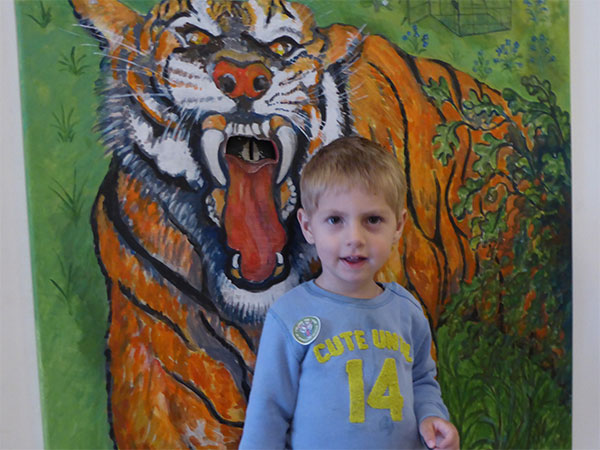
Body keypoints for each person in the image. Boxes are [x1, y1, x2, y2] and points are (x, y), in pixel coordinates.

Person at [240, 136, 459, 450]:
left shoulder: (406, 311)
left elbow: (423, 381)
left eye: (372, 220)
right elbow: (268, 413)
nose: (354, 238)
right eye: (335, 220)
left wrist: (432, 417)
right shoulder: (291, 315)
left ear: (398, 225)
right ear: (308, 225)